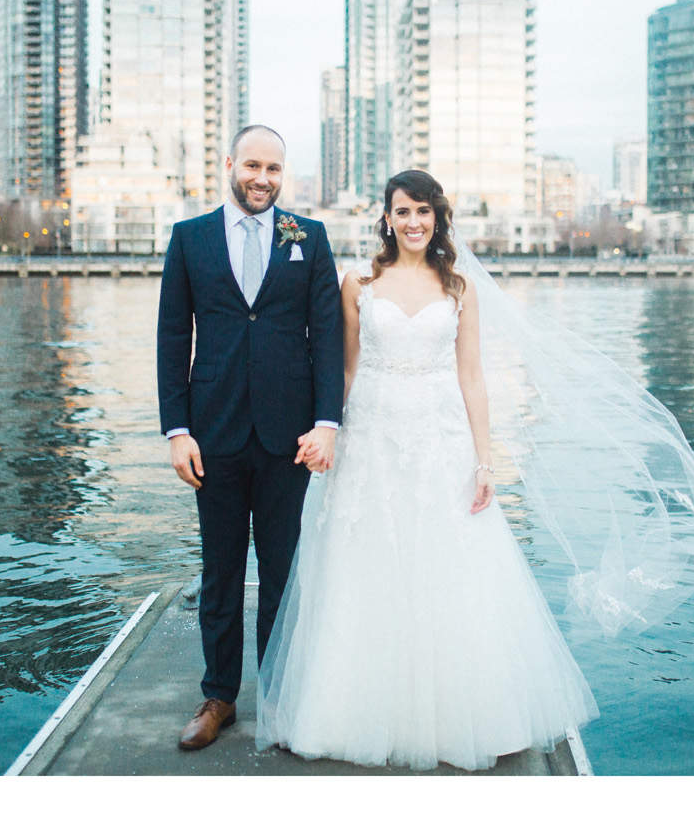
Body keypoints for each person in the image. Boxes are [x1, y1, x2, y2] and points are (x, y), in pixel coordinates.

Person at [255, 169, 599, 771]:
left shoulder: (459, 286)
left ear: (438, 218)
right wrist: (324, 430)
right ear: (386, 218)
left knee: (449, 567)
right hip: (372, 439)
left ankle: (472, 713)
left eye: (424, 211)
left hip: (441, 441)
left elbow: (472, 378)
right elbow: (344, 370)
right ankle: (345, 711)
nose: (414, 222)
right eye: (403, 211)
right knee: (364, 568)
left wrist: (485, 460)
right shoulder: (357, 281)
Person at [156, 124, 345, 751]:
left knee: (283, 570)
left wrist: (326, 423)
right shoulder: (189, 239)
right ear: (231, 163)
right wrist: (177, 430)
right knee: (220, 570)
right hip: (213, 434)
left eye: (275, 169)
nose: (263, 178)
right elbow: (172, 339)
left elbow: (327, 338)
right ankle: (219, 697)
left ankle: (280, 696)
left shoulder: (308, 238)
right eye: (254, 166)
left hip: (289, 437)